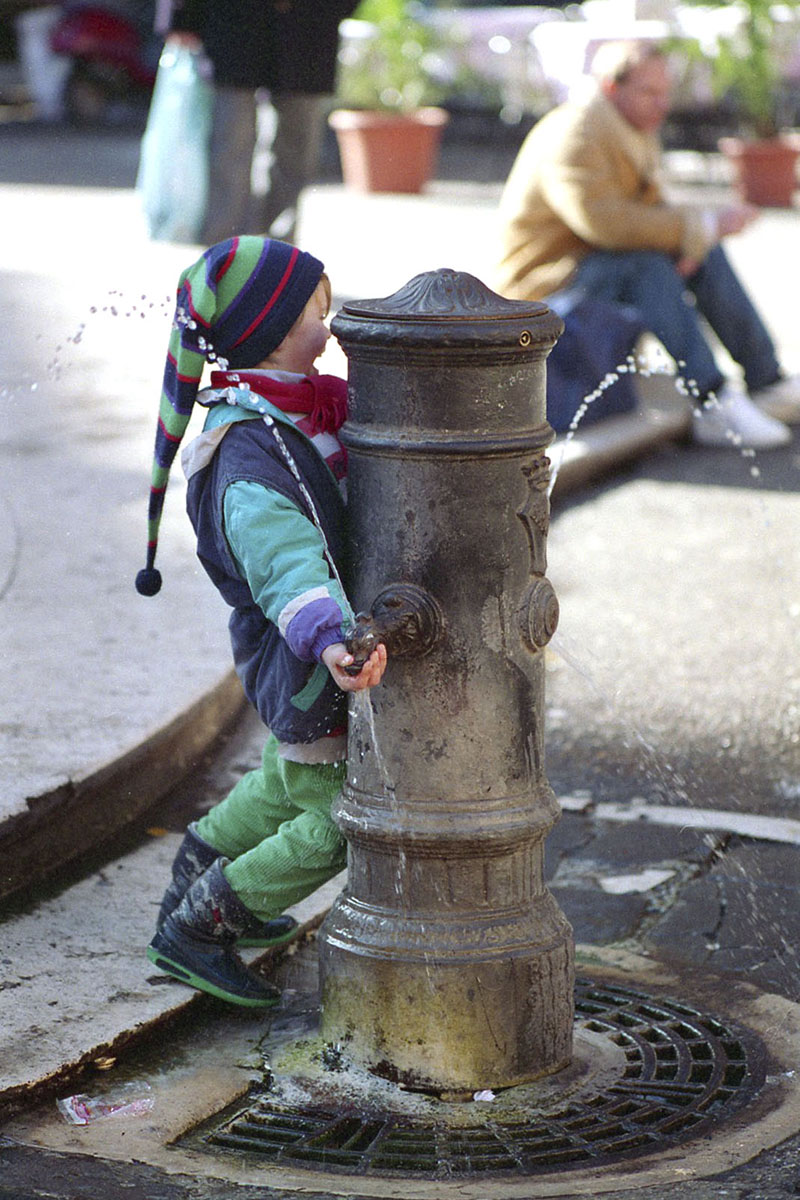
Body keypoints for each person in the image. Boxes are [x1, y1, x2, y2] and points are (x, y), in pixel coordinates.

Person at [135, 235, 387, 1007]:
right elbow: (286, 562)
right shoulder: (250, 459)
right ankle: (204, 923)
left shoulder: (287, 413)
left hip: (303, 649)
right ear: (275, 328)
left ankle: (200, 856)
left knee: (291, 779)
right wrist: (331, 637)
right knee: (339, 821)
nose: (332, 316)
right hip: (305, 649)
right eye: (320, 306)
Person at [496, 39, 800, 449]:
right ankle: (712, 399)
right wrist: (698, 226)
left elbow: (650, 211)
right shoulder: (576, 131)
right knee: (647, 264)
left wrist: (694, 239)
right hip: (542, 289)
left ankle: (767, 380)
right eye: (649, 92)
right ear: (610, 87)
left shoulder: (628, 126)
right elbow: (604, 223)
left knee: (702, 250)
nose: (661, 104)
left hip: (590, 270)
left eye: (665, 93)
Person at [157, 0, 358, 245]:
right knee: (230, 143)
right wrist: (179, 15)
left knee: (297, 147)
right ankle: (223, 244)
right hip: (235, 24)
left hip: (308, 26)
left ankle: (279, 247)